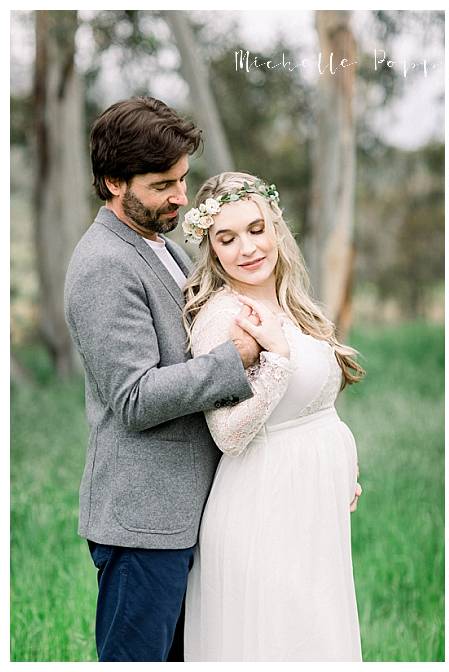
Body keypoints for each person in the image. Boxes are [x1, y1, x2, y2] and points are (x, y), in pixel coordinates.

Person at [64, 97, 262, 662]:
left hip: (187, 513)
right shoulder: (104, 263)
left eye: (183, 178)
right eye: (161, 184)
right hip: (143, 524)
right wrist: (234, 359)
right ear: (112, 182)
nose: (180, 196)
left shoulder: (162, 246)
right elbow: (133, 397)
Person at [180, 172, 365, 661]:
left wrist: (343, 462)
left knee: (317, 638)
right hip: (263, 505)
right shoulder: (223, 315)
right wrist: (277, 362)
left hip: (312, 504)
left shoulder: (290, 304)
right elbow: (227, 433)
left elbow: (315, 408)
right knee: (278, 643)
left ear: (276, 227)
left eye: (256, 229)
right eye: (227, 238)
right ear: (212, 249)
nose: (247, 248)